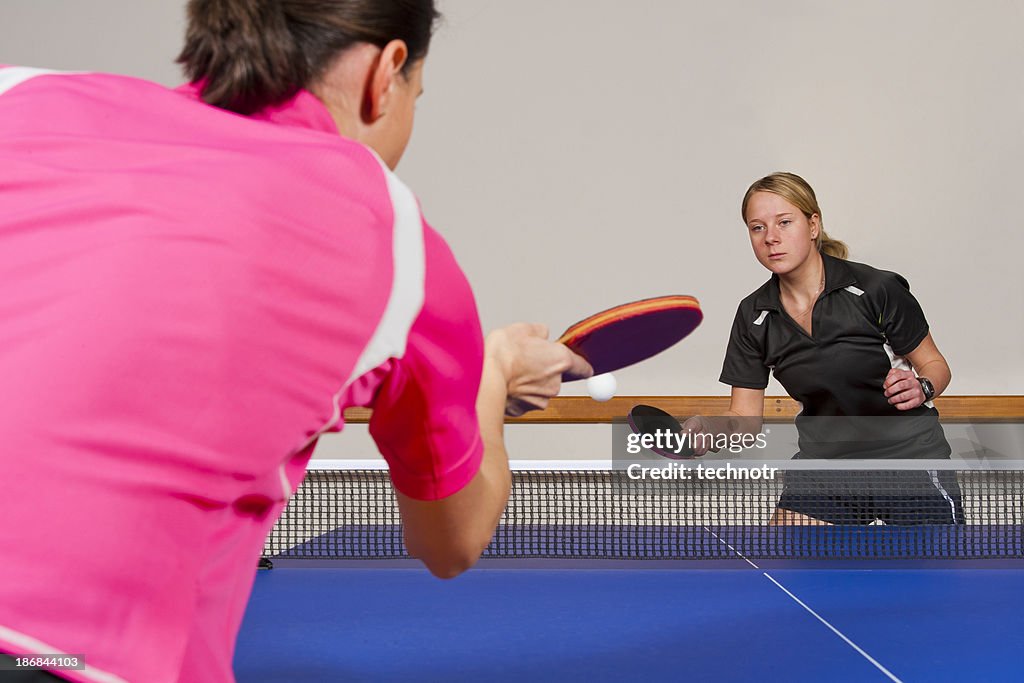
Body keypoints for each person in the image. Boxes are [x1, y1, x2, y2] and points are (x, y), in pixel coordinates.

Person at [0, 2, 591, 682]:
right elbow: (453, 540)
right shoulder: (398, 241)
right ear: (386, 73)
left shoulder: (19, 95)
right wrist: (493, 372)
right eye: (416, 98)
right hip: (66, 660)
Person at [687, 172, 962, 526]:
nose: (771, 238)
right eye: (757, 228)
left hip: (910, 465)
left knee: (935, 578)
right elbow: (745, 419)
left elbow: (935, 364)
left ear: (813, 224)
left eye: (784, 222)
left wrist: (922, 386)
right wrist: (709, 427)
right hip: (826, 471)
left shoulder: (875, 289)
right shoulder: (754, 314)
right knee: (780, 559)